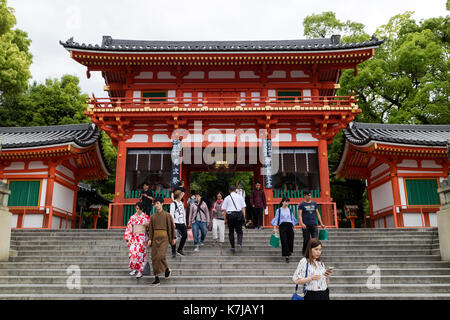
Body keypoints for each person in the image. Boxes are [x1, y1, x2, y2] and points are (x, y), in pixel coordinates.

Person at [147, 197, 176, 286]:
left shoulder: (167, 215)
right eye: (155, 204)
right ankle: (157, 278)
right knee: (154, 258)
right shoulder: (153, 217)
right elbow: (151, 229)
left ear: (162, 204)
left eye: (158, 203)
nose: (156, 205)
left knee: (161, 256)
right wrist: (150, 239)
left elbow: (171, 227)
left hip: (164, 238)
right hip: (155, 238)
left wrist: (173, 237)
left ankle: (166, 269)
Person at [124, 202, 150, 278]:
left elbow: (149, 227)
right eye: (136, 208)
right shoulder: (132, 217)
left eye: (139, 208)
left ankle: (140, 270)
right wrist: (128, 239)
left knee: (140, 254)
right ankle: (134, 269)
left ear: (142, 209)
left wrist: (148, 225)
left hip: (142, 238)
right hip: (134, 237)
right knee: (133, 253)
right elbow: (129, 228)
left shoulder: (146, 217)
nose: (137, 210)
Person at [271, 197, 298, 263]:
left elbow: (292, 218)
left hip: (289, 225)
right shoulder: (279, 210)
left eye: (288, 202)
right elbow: (276, 219)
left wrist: (294, 227)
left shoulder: (290, 210)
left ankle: (288, 251)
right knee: (284, 240)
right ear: (282, 202)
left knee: (290, 240)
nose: (287, 203)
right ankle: (286, 256)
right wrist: (274, 228)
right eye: (285, 202)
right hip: (282, 226)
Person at [298, 191, 326, 255]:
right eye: (308, 195)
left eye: (310, 195)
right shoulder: (302, 204)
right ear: (305, 196)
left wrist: (321, 223)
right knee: (306, 240)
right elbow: (300, 215)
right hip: (306, 225)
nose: (309, 196)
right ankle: (305, 252)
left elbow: (318, 214)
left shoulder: (314, 203)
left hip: (314, 224)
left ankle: (317, 252)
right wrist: (301, 223)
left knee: (315, 239)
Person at [221, 185, 247, 253]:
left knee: (231, 232)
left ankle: (232, 247)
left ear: (229, 191)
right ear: (235, 190)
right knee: (239, 231)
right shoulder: (240, 197)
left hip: (230, 215)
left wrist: (225, 219)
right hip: (238, 215)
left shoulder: (227, 198)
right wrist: (244, 218)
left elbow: (224, 210)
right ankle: (239, 243)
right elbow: (243, 208)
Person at [170, 190, 187, 257]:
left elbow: (184, 213)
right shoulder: (173, 204)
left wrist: (185, 222)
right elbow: (171, 214)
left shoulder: (181, 203)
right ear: (178, 195)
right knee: (174, 237)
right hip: (176, 223)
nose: (182, 195)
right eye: (181, 194)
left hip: (182, 222)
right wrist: (172, 223)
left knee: (185, 235)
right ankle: (173, 251)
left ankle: (179, 249)